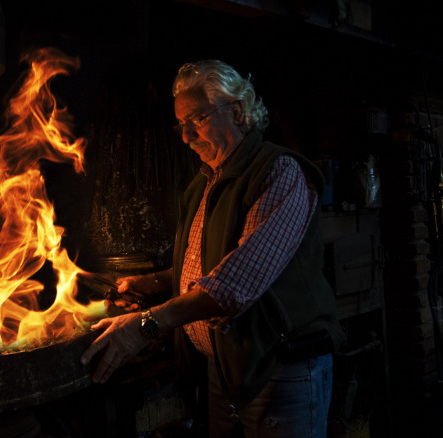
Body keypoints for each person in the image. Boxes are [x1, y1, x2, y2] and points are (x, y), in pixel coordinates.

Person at [81, 59, 346, 437]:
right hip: (226, 371)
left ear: (236, 111)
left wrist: (144, 326)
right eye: (182, 125)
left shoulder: (280, 173)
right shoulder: (208, 181)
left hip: (278, 370)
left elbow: (234, 284)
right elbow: (212, 263)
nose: (187, 137)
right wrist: (157, 281)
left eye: (198, 120)